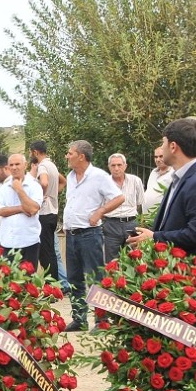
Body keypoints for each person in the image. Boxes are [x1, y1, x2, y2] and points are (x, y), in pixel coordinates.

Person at [128, 118, 196, 273]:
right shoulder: (181, 177)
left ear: (173, 146)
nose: (161, 148)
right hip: (178, 272)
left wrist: (154, 237)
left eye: (163, 143)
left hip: (195, 276)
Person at [62, 140, 125, 332]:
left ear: (81, 156)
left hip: (90, 234)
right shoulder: (71, 176)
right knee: (74, 278)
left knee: (95, 278)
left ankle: (101, 321)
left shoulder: (99, 176)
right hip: (71, 234)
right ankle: (79, 319)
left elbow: (120, 197)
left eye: (70, 153)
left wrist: (101, 211)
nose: (67, 156)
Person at [0, 152, 42, 268]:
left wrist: (19, 190)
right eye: (11, 165)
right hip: (7, 242)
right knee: (8, 281)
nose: (14, 168)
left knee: (28, 281)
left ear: (25, 165)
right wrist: (21, 208)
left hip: (29, 241)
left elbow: (32, 209)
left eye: (17, 164)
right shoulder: (3, 188)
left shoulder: (34, 186)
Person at [102, 153, 145, 262]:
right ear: (109, 167)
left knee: (134, 258)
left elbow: (140, 203)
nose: (116, 168)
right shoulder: (103, 183)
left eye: (119, 165)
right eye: (113, 165)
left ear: (125, 166)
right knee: (111, 262)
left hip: (131, 223)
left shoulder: (136, 181)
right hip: (111, 225)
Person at [30, 141, 62, 277]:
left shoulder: (42, 166)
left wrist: (41, 196)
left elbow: (44, 182)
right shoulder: (52, 165)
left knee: (45, 253)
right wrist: (53, 194)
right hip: (53, 212)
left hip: (44, 213)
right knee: (51, 252)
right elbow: (63, 181)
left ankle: (52, 285)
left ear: (36, 152)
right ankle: (55, 284)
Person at [145, 144, 174, 211]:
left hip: (161, 215)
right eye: (156, 157)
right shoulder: (153, 172)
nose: (158, 159)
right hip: (147, 217)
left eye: (161, 156)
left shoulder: (172, 173)